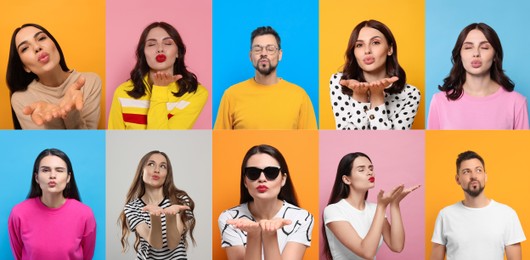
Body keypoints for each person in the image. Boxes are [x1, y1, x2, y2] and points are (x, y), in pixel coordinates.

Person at [218, 144, 314, 259]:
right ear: (245, 181)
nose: (262, 178)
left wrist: (270, 235)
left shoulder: (301, 218)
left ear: (283, 179)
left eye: (271, 172)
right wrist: (253, 235)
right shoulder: (230, 219)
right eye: (253, 173)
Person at [108, 22, 208, 129]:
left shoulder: (195, 93)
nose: (160, 49)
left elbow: (162, 140)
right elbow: (115, 142)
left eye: (168, 43)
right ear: (143, 54)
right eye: (151, 44)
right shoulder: (122, 92)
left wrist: (160, 90)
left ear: (178, 52)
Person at [428, 23, 529, 129]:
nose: (476, 53)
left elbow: (522, 146)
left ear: (495, 55)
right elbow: (433, 146)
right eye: (468, 47)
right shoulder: (439, 102)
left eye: (484, 47)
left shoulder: (517, 102)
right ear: (460, 54)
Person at [214, 26, 317, 129]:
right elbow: (218, 141)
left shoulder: (300, 97)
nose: (263, 53)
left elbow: (310, 141)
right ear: (250, 56)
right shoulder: (231, 95)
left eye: (270, 49)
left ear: (279, 55)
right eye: (258, 49)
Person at [431, 151, 526, 260]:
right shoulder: (445, 215)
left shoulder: (508, 214)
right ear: (458, 179)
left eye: (478, 170)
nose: (474, 176)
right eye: (466, 172)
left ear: (485, 177)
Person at [323, 152, 419, 259]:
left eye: (371, 168)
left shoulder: (375, 209)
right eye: (361, 170)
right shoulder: (333, 211)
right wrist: (382, 207)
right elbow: (367, 252)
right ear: (346, 179)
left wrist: (395, 204)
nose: (369, 173)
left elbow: (397, 246)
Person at [6, 23, 102, 129]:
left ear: (55, 45)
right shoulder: (21, 99)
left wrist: (71, 112)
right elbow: (45, 144)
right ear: (25, 67)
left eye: (41, 38)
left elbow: (87, 141)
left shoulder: (90, 81)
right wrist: (52, 119)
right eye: (24, 48)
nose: (37, 47)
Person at [329, 20, 420, 130]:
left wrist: (377, 97)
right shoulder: (339, 82)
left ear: (390, 49)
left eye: (375, 42)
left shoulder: (410, 94)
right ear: (353, 51)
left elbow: (393, 144)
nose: (367, 50)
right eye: (359, 45)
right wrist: (359, 97)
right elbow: (347, 141)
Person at [8, 148, 96, 259]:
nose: (52, 175)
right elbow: (18, 255)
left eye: (59, 170)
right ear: (36, 177)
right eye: (45, 170)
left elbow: (87, 255)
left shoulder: (85, 214)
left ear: (68, 177)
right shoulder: (19, 213)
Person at [119, 150, 196, 259]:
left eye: (163, 166)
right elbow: (155, 243)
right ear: (142, 171)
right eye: (151, 164)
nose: (157, 170)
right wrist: (155, 216)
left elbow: (173, 243)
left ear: (167, 174)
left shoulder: (180, 200)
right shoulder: (132, 207)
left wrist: (171, 215)